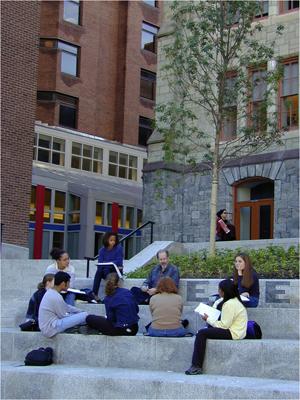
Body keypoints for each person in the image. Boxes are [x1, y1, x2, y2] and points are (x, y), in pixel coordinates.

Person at [185, 279, 247, 375]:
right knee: (206, 331)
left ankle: (196, 366)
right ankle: (196, 366)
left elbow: (224, 325)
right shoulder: (235, 301)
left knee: (201, 333)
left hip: (233, 333)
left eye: (219, 289)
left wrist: (208, 319)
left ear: (224, 291)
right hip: (237, 332)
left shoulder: (229, 304)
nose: (218, 291)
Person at [38, 271, 88, 338]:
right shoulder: (55, 296)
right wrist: (80, 316)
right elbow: (63, 315)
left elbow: (67, 307)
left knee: (83, 314)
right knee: (85, 316)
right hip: (50, 329)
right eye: (68, 282)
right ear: (63, 283)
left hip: (52, 325)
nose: (69, 285)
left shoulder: (52, 292)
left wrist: (80, 311)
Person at [92, 232, 124, 302]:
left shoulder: (119, 249)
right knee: (99, 271)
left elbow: (119, 262)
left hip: (116, 270)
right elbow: (100, 263)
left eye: (114, 240)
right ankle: (94, 294)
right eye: (111, 240)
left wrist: (107, 263)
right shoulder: (102, 251)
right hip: (105, 271)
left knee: (107, 268)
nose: (113, 242)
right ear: (106, 240)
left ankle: (109, 296)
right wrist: (108, 263)